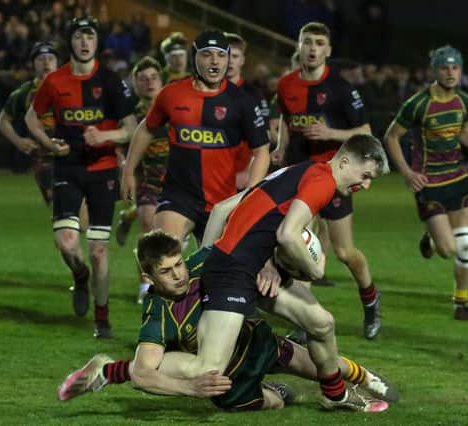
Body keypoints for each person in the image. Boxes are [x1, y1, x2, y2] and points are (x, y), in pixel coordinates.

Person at [150, 135, 390, 412]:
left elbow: (222, 209)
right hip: (233, 273)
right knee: (210, 368)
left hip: (248, 269)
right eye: (366, 175)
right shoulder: (322, 182)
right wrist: (314, 269)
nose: (366, 185)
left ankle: (334, 395)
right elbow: (287, 234)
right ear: (345, 161)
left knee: (321, 323)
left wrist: (220, 261)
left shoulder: (298, 171)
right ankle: (136, 367)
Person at [57, 231, 397, 411]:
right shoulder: (158, 314)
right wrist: (190, 389)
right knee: (278, 402)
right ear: (147, 276)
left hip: (255, 341)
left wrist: (266, 266)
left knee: (321, 364)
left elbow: (249, 241)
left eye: (178, 264)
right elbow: (144, 373)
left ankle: (366, 378)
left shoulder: (205, 262)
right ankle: (271, 390)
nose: (178, 274)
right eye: (166, 271)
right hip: (227, 381)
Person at [25, 17, 137, 338]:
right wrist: (47, 143)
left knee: (99, 249)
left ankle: (101, 319)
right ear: (70, 43)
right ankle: (80, 274)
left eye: (90, 37)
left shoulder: (112, 81)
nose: (84, 43)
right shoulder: (55, 80)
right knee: (67, 243)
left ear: (97, 42)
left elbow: (131, 127)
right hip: (68, 168)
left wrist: (105, 137)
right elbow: (31, 117)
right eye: (78, 37)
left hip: (102, 172)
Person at [274, 22, 381, 340]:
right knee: (300, 246)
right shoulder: (286, 85)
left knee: (345, 252)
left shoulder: (341, 89)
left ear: (328, 50)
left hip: (335, 178)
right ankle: (305, 320)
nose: (312, 48)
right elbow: (283, 118)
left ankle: (371, 300)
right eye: (307, 42)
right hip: (300, 175)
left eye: (319, 43)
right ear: (299, 46)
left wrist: (330, 134)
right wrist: (280, 146)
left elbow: (365, 132)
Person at [121, 30, 269, 242]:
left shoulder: (242, 101)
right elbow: (146, 128)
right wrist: (128, 171)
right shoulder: (171, 94)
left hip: (221, 201)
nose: (215, 61)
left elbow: (261, 150)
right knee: (163, 251)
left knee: (213, 272)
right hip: (178, 195)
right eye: (207, 54)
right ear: (194, 57)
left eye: (221, 55)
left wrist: (249, 192)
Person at [384, 45, 468, 321]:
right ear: (435, 71)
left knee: (465, 244)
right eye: (444, 67)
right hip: (429, 183)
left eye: (455, 67)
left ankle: (461, 303)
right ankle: (432, 240)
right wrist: (408, 173)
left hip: (458, 178)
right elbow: (391, 137)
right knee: (447, 250)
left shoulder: (464, 101)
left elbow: (464, 132)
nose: (450, 72)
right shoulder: (418, 103)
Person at [0, 42, 59, 205]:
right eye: (40, 59)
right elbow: (2, 121)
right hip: (44, 158)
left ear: (57, 63)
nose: (46, 63)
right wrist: (18, 141)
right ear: (33, 65)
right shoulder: (25, 92)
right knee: (62, 207)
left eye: (50, 58)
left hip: (73, 154)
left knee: (82, 216)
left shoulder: (71, 88)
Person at [115, 57, 168, 248]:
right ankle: (145, 279)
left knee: (169, 235)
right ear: (136, 84)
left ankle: (128, 216)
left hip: (174, 180)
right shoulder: (131, 117)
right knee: (148, 224)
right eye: (143, 79)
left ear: (161, 81)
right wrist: (123, 167)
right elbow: (119, 147)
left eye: (154, 77)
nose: (150, 83)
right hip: (146, 180)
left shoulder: (175, 112)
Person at [223, 32, 270, 191]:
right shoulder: (207, 90)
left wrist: (248, 171)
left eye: (235, 56)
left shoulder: (253, 94)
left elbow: (264, 137)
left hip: (240, 175)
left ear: (242, 60)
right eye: (226, 55)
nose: (230, 61)